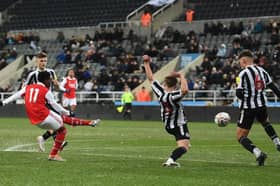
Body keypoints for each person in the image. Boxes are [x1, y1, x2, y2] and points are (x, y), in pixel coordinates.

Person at [0, 72, 100, 161]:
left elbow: (16, 95)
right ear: (46, 80)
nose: (51, 81)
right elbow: (56, 106)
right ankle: (53, 155)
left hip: (35, 119)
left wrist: (3, 102)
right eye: (50, 80)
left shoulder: (28, 87)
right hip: (44, 116)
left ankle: (90, 123)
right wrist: (68, 112)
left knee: (62, 119)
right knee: (62, 129)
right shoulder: (45, 91)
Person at [143, 55, 190, 167]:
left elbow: (150, 78)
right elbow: (185, 90)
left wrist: (146, 63)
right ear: (175, 86)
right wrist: (181, 76)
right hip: (179, 125)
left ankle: (175, 155)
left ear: (165, 84)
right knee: (184, 147)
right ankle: (171, 160)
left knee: (184, 142)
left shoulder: (160, 92)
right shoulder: (173, 96)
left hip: (168, 126)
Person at [236, 50, 280, 166]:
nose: (240, 64)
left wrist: (242, 95)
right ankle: (277, 142)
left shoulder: (243, 73)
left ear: (244, 60)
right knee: (266, 123)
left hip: (248, 108)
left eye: (240, 62)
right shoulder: (262, 71)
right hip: (261, 105)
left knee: (240, 136)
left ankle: (258, 153)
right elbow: (273, 87)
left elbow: (239, 93)